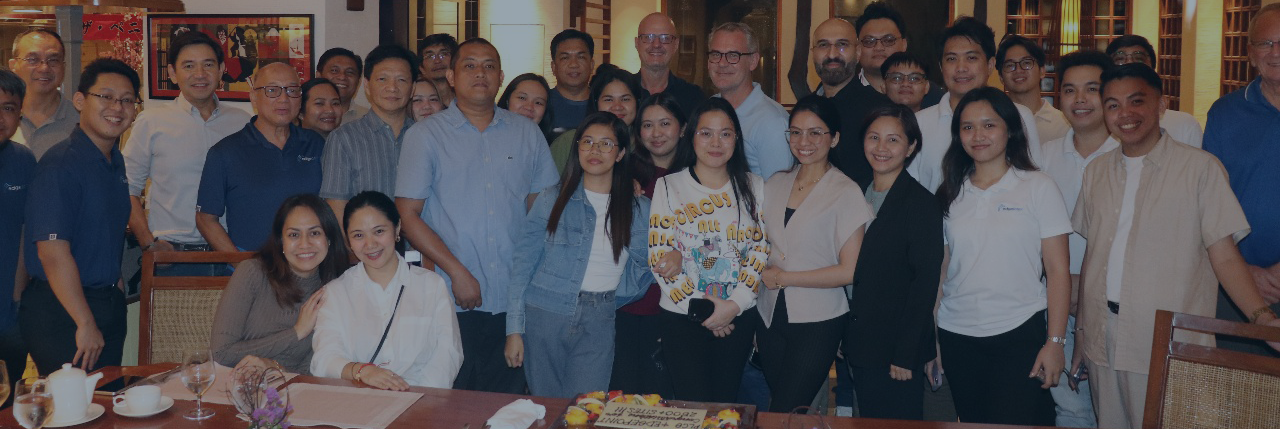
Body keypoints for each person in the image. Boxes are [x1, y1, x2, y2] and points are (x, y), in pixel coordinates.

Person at [1070, 64, 1280, 429]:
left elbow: (1225, 256)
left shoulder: (1201, 169)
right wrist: (1082, 334)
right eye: (1113, 105)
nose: (1125, 114)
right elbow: (1094, 255)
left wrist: (1264, 320)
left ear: (1161, 104)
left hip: (1169, 341)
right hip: (1104, 339)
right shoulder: (1096, 171)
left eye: (1137, 101)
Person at [395, 38, 558, 394]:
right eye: (469, 65)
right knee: (451, 402)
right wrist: (456, 272)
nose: (480, 73)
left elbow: (543, 210)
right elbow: (407, 215)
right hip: (450, 297)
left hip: (516, 299)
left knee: (507, 404)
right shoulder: (425, 136)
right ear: (451, 77)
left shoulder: (527, 133)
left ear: (500, 77)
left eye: (489, 66)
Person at [934, 87, 1070, 426]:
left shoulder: (1038, 186)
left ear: (1010, 130)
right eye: (967, 127)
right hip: (956, 333)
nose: (978, 135)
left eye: (989, 125)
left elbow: (1057, 271)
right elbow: (942, 270)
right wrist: (932, 337)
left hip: (1019, 330)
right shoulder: (949, 192)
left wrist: (1055, 342)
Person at [505, 112, 653, 398]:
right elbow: (523, 265)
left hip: (600, 317)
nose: (595, 150)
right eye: (587, 142)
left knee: (587, 408)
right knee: (547, 407)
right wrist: (514, 330)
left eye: (606, 144)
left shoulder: (640, 208)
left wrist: (612, 298)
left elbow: (648, 264)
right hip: (544, 312)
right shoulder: (551, 199)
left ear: (621, 153)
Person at [19, 58, 140, 374]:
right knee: (75, 401)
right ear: (79, 101)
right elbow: (52, 253)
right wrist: (85, 321)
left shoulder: (114, 162)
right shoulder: (61, 165)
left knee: (106, 397)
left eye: (127, 100)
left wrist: (113, 285)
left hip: (104, 303)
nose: (117, 107)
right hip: (64, 311)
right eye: (106, 96)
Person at [648, 97, 768, 403]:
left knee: (725, 405)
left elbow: (759, 252)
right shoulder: (668, 186)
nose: (716, 143)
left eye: (725, 134)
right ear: (691, 137)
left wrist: (733, 306)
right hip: (682, 318)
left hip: (738, 315)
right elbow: (659, 257)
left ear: (736, 139)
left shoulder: (755, 186)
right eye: (706, 133)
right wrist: (707, 313)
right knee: (692, 408)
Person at [756, 95, 869, 413]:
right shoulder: (774, 183)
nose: (803, 141)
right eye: (795, 132)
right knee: (787, 411)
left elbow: (849, 270)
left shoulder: (846, 191)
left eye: (815, 132)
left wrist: (785, 278)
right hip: (769, 315)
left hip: (818, 320)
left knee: (786, 409)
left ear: (835, 138)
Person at [843, 104, 943, 420]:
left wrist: (905, 353)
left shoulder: (922, 204)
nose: (881, 148)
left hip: (895, 350)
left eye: (893, 140)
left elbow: (924, 284)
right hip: (858, 341)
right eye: (874, 137)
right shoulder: (853, 192)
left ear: (911, 147)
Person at [125, 31, 252, 277]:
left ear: (221, 69)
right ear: (173, 73)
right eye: (189, 66)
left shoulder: (242, 122)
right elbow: (126, 188)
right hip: (174, 258)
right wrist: (149, 245)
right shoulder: (152, 122)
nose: (200, 74)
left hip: (232, 255)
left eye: (208, 65)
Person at [312, 191, 463, 389]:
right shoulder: (336, 293)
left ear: (397, 228)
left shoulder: (431, 286)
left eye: (379, 231)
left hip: (422, 396)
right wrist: (362, 371)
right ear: (348, 240)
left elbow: (448, 352)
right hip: (360, 399)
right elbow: (323, 359)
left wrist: (418, 396)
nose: (370, 244)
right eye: (358, 235)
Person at [1038, 50, 1112, 429]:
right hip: (1056, 302)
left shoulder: (1128, 155)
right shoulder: (1043, 156)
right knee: (1072, 411)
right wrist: (1063, 287)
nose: (1079, 99)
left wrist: (1088, 285)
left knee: (1119, 411)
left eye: (1092, 89)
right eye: (1069, 90)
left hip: (1112, 306)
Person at [1206, 4, 1280, 358]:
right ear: (1251, 53)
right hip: (1236, 287)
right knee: (1236, 387)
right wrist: (1244, 271)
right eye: (1266, 43)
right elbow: (1209, 206)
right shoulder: (1225, 113)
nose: (1275, 53)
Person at [209, 194, 350, 374]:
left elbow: (313, 369)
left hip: (290, 387)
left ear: (329, 239)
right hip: (232, 382)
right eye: (294, 235)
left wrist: (276, 369)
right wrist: (296, 332)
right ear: (281, 241)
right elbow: (220, 353)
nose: (304, 244)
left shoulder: (334, 291)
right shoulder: (252, 273)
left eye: (314, 233)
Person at [196, 62, 326, 252]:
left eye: (292, 90)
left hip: (309, 260)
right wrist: (241, 264)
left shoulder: (316, 144)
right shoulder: (225, 152)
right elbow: (205, 219)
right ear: (254, 97)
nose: (284, 99)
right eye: (272, 90)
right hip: (253, 263)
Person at [908, 17, 1044, 193]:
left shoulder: (1019, 116)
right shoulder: (919, 123)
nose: (961, 68)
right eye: (951, 59)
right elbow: (910, 189)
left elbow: (1033, 181)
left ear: (990, 64)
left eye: (971, 58)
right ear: (941, 67)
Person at [611, 93, 686, 395]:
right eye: (647, 125)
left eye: (665, 124)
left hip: (673, 305)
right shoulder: (621, 172)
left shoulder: (698, 176)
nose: (656, 133)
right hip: (624, 303)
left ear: (683, 128)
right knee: (623, 396)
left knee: (663, 397)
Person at [321, 44, 418, 217]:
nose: (392, 87)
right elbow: (336, 211)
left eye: (401, 80)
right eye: (382, 79)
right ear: (366, 85)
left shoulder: (425, 137)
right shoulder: (343, 139)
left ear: (413, 88)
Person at [809, 17, 893, 189]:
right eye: (823, 45)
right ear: (813, 53)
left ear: (858, 52)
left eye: (842, 45)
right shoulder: (806, 109)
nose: (832, 54)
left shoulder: (880, 111)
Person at [708, 23, 792, 180]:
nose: (722, 63)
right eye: (716, 54)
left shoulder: (772, 122)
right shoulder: (709, 108)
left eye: (733, 55)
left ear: (753, 61)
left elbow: (779, 190)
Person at [0, 70, 36, 402]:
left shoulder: (24, 161)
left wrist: (18, 294)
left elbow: (29, 229)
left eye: (8, 108)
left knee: (8, 401)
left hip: (9, 313)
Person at [1103, 35, 1203, 148]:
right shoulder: (1103, 124)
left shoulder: (1184, 125)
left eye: (1139, 58)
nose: (1130, 63)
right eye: (1120, 59)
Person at [853, 1, 944, 109]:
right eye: (869, 41)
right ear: (857, 49)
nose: (878, 47)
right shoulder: (845, 96)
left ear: (904, 44)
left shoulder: (934, 97)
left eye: (888, 40)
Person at [549, 68, 641, 172]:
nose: (617, 106)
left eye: (625, 99)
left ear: (637, 102)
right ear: (596, 102)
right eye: (608, 99)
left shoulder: (648, 144)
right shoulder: (569, 142)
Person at [8, 29, 76, 160]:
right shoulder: (4, 117)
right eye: (33, 59)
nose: (44, 68)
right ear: (13, 65)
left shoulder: (82, 122)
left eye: (53, 60)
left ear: (63, 67)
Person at [998, 35, 1069, 144]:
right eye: (1010, 65)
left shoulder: (1064, 125)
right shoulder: (995, 122)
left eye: (1026, 63)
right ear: (1001, 77)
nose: (1018, 70)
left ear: (1042, 71)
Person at [634, 13, 707, 117]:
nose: (656, 44)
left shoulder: (693, 97)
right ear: (637, 43)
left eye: (665, 38)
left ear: (676, 45)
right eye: (648, 37)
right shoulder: (623, 94)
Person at [548, 29, 595, 135]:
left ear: (591, 65)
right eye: (565, 58)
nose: (573, 64)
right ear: (553, 67)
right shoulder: (542, 104)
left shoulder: (603, 104)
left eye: (581, 57)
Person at [317, 48, 367, 124]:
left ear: (358, 81)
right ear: (319, 76)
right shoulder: (303, 116)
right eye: (334, 70)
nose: (342, 77)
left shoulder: (368, 119)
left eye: (350, 72)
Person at [497, 73, 553, 140]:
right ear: (507, 100)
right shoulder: (488, 136)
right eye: (522, 98)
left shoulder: (551, 144)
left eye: (538, 103)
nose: (529, 107)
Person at [419, 33, 458, 107]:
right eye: (430, 56)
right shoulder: (418, 106)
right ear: (422, 68)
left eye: (443, 54)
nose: (437, 61)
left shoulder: (468, 101)